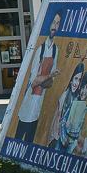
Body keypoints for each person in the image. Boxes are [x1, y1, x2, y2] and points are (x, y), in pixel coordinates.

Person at [15, 9, 63, 143]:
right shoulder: (40, 50)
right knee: (19, 139)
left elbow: (49, 83)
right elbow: (34, 81)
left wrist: (49, 78)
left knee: (30, 140)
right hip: (28, 103)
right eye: (53, 22)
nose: (54, 26)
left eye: (57, 23)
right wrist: (50, 76)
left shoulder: (55, 50)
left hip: (38, 105)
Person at [47, 62, 85, 147]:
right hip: (56, 137)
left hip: (68, 140)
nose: (76, 83)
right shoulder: (64, 96)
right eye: (75, 78)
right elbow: (57, 120)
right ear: (71, 80)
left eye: (79, 80)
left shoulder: (77, 99)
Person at [58, 69, 87, 152]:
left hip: (74, 145)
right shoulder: (74, 101)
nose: (84, 91)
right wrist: (64, 138)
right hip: (64, 141)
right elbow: (63, 120)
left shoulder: (86, 107)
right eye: (82, 87)